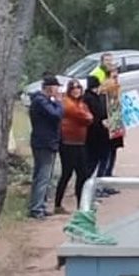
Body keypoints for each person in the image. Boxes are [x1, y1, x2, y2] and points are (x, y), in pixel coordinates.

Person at [28, 75, 64, 219]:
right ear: (50, 88)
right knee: (43, 176)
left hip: (46, 141)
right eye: (57, 88)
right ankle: (36, 209)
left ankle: (40, 205)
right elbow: (56, 115)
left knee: (42, 176)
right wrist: (59, 102)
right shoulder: (41, 102)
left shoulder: (44, 101)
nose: (58, 90)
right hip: (44, 143)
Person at [54, 80, 94, 214]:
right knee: (67, 173)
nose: (76, 90)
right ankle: (58, 204)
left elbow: (89, 117)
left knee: (82, 174)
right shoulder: (67, 103)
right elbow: (83, 117)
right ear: (69, 90)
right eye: (73, 88)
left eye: (78, 87)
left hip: (80, 143)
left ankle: (80, 205)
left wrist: (88, 116)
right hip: (68, 143)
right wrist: (87, 116)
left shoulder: (81, 104)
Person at [82, 75, 111, 198]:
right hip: (96, 135)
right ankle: (91, 187)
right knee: (94, 162)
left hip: (99, 134)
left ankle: (95, 186)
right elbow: (99, 112)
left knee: (98, 161)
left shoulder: (94, 97)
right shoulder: (91, 99)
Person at [101, 67, 125, 189]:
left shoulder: (117, 90)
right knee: (106, 158)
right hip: (106, 130)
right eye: (113, 77)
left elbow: (119, 109)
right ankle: (103, 184)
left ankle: (108, 182)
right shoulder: (104, 93)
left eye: (117, 77)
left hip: (116, 127)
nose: (115, 80)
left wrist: (122, 126)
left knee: (113, 154)